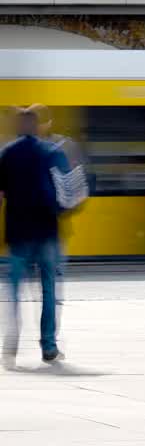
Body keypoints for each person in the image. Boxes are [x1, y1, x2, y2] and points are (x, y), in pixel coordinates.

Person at [1, 107, 71, 366]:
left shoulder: (7, 153)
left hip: (18, 234)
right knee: (49, 291)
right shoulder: (52, 151)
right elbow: (68, 189)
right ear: (38, 126)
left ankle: (11, 342)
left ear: (20, 126)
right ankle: (49, 346)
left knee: (14, 291)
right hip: (47, 233)